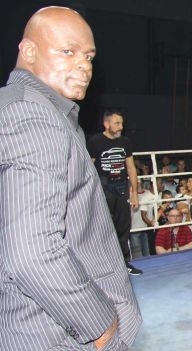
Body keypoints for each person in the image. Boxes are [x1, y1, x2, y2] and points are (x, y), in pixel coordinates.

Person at [0, 6, 141, 349]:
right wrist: (100, 325)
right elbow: (33, 252)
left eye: (89, 56)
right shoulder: (31, 115)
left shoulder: (36, 109)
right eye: (68, 51)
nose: (84, 65)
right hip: (56, 333)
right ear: (28, 51)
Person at [87, 109, 143, 275]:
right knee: (103, 226)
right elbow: (88, 168)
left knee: (123, 226)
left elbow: (131, 167)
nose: (120, 127)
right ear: (107, 124)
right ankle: (102, 266)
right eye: (117, 123)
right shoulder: (95, 142)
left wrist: (134, 192)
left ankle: (123, 263)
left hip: (121, 187)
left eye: (122, 123)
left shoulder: (125, 142)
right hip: (104, 188)